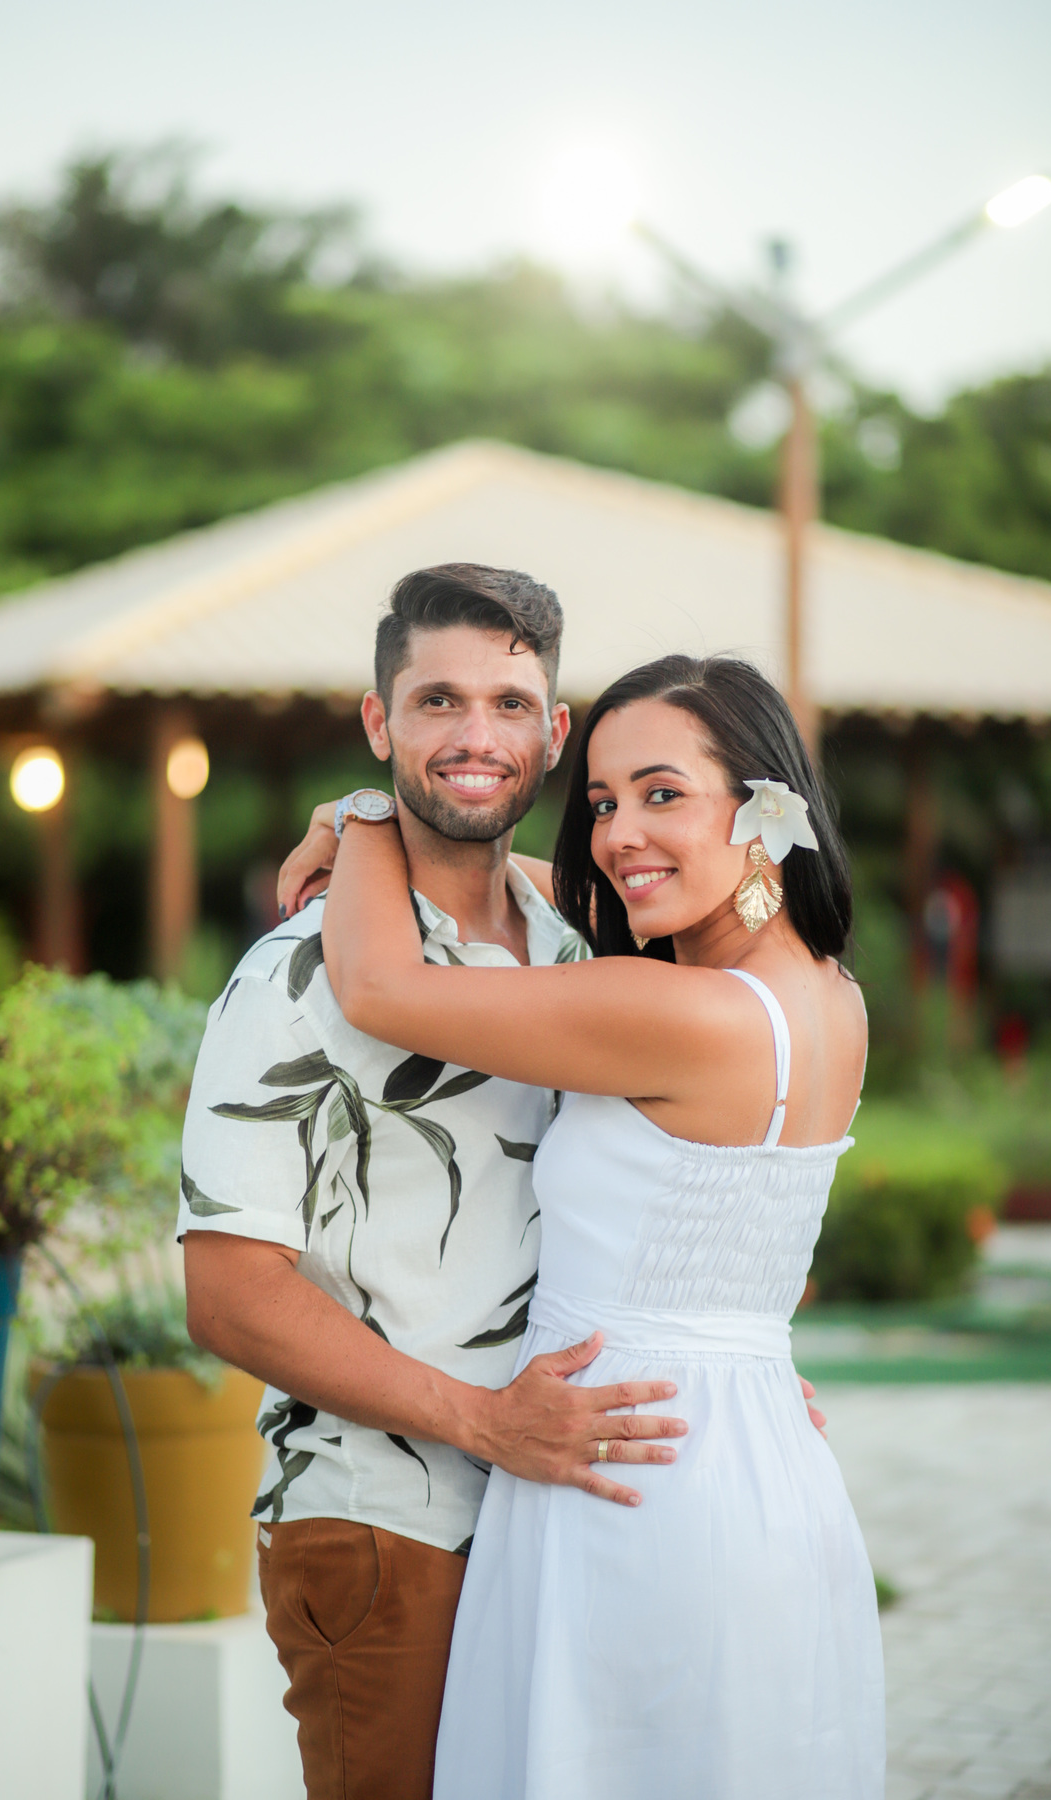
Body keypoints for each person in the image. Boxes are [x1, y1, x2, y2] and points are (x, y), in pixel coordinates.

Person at [317, 652, 885, 1800]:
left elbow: (378, 987)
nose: (621, 832)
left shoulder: (682, 1012)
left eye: (663, 794)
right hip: (749, 1450)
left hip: (625, 1478)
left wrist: (371, 816)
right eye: (603, 800)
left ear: (763, 807)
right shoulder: (827, 994)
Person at [180, 565, 694, 1800]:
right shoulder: (293, 974)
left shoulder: (582, 946)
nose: (477, 739)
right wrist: (479, 1423)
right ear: (380, 724)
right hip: (384, 1521)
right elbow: (228, 1296)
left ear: (555, 733)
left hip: (561, 1519)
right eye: (438, 702)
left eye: (511, 705)